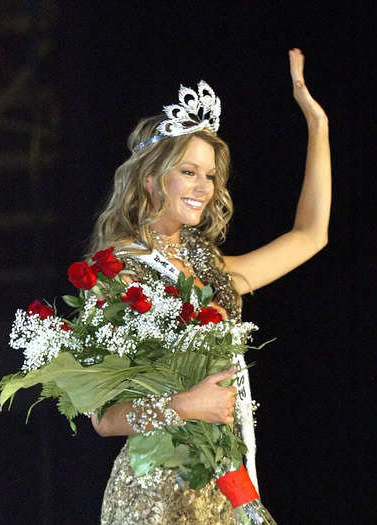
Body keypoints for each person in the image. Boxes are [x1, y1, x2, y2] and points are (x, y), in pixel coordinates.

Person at [87, 48, 331, 525]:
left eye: (211, 175)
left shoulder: (212, 270)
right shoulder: (119, 271)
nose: (204, 186)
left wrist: (317, 125)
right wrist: (182, 405)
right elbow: (102, 418)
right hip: (156, 497)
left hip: (223, 490)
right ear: (154, 179)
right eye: (189, 172)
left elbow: (310, 235)